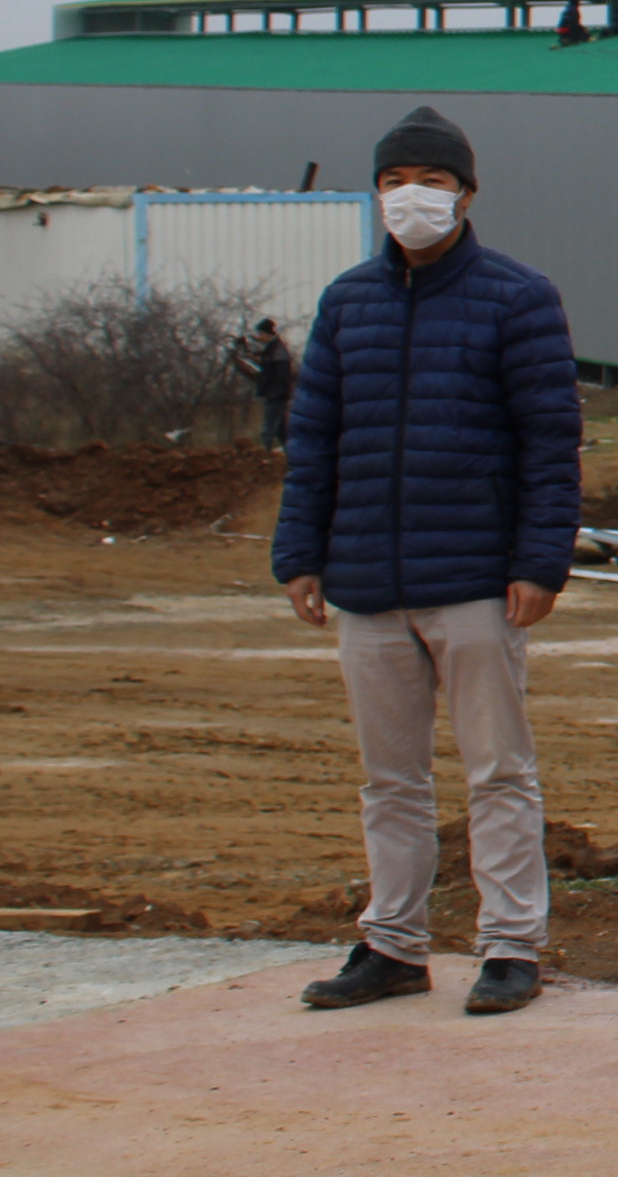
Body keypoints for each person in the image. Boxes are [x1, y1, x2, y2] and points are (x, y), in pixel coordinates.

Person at [272, 107, 581, 1018]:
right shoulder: (348, 303)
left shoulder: (517, 298)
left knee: (499, 772)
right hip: (367, 583)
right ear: (375, 193)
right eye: (396, 179)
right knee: (390, 780)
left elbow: (550, 442)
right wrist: (301, 552)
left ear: (468, 194)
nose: (414, 196)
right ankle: (393, 943)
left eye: (434, 181)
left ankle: (512, 946)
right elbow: (315, 438)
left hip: (478, 583)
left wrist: (539, 562)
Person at [234, 316, 297, 454]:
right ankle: (291, 453)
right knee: (280, 429)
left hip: (276, 395)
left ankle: (264, 453)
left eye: (260, 334)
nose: (258, 337)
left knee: (268, 427)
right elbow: (258, 359)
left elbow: (282, 375)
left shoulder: (278, 351)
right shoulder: (273, 349)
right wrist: (244, 349)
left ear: (267, 334)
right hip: (276, 393)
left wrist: (275, 392)